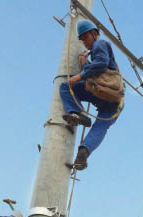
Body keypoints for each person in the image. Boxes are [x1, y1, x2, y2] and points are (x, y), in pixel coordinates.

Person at [59, 20, 122, 171]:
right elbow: (97, 71)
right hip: (114, 100)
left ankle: (75, 112)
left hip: (102, 92)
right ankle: (84, 151)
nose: (84, 42)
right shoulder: (97, 49)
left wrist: (78, 76)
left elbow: (101, 63)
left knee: (66, 86)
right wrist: (84, 62)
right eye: (82, 40)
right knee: (101, 127)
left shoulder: (100, 44)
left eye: (85, 38)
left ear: (95, 34)